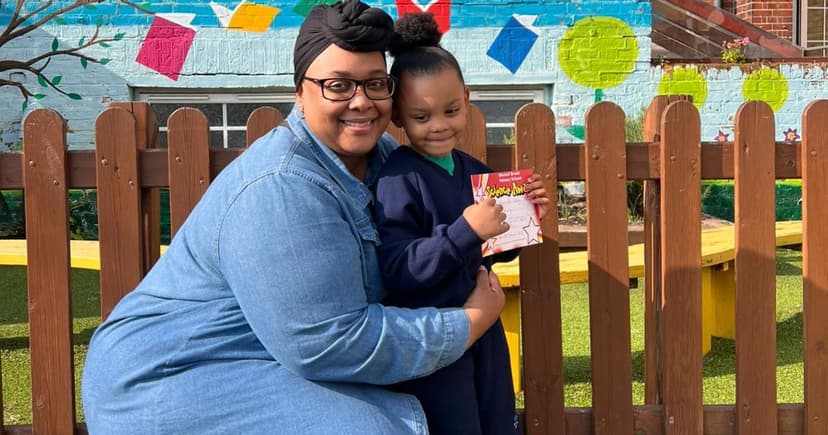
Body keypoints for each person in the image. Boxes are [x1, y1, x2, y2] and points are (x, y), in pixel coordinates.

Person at [81, 1, 507, 433]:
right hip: (176, 375)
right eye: (338, 85)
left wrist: (514, 215)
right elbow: (328, 344)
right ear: (299, 92)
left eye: (375, 83)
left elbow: (452, 229)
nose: (360, 102)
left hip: (269, 359)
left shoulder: (387, 159)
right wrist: (468, 323)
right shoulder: (280, 187)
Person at [372, 13, 551, 435]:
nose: (439, 125)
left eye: (451, 110)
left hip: (484, 329)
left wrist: (523, 220)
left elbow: (493, 249)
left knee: (496, 420)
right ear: (397, 116)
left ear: (467, 99)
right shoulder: (398, 178)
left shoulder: (474, 171)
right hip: (435, 337)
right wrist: (466, 230)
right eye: (421, 116)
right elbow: (399, 267)